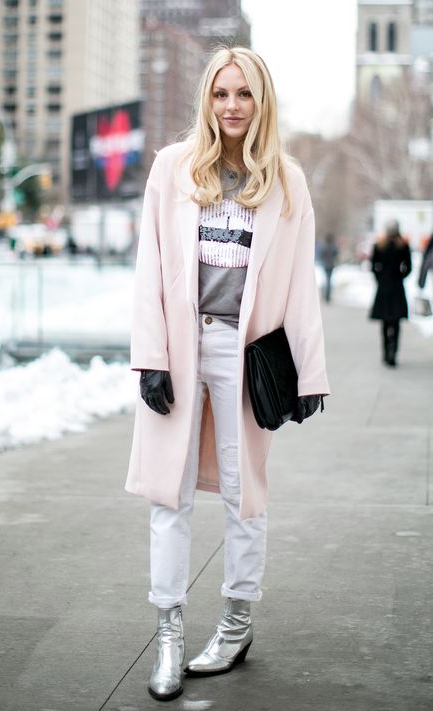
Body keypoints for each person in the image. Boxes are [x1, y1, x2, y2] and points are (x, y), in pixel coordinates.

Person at [126, 46, 330, 702]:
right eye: (221, 94)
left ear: (261, 99)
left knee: (247, 494)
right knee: (170, 493)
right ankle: (169, 635)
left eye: (243, 94)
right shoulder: (172, 168)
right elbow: (150, 271)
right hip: (185, 347)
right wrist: (151, 357)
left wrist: (309, 374)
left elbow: (301, 285)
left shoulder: (288, 181)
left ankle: (237, 624)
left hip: (249, 356)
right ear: (207, 101)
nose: (232, 106)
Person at [369, 219, 412, 367]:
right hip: (397, 287)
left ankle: (386, 352)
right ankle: (394, 352)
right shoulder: (403, 246)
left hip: (384, 287)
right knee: (396, 322)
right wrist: (400, 276)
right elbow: (408, 267)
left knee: (385, 322)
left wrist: (380, 278)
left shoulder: (379, 246)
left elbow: (373, 266)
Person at [318, 233, 338, 302]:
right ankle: (328, 296)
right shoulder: (334, 246)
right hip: (331, 265)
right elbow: (336, 254)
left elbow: (321, 255)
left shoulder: (325, 246)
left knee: (326, 280)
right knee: (329, 280)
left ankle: (325, 295)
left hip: (326, 265)